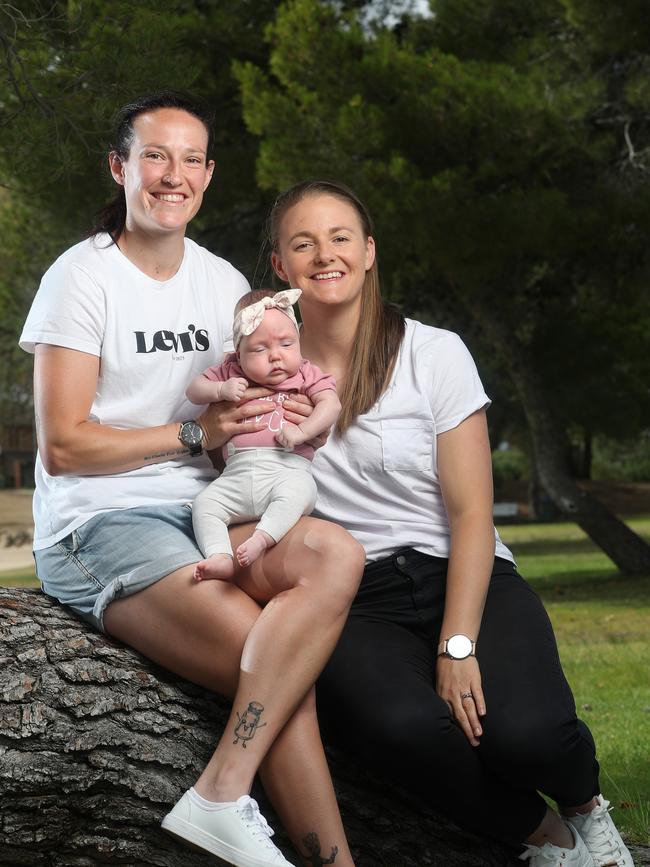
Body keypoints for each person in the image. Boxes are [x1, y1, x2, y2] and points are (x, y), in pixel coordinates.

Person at [19, 96, 364, 867]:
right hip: (102, 518)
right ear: (121, 166)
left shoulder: (222, 282)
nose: (173, 175)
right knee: (272, 660)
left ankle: (218, 794)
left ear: (208, 174)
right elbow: (65, 445)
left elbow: (248, 396)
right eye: (155, 156)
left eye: (191, 159)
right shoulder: (80, 276)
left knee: (335, 556)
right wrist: (189, 432)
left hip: (206, 503)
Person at [267, 179, 634, 867]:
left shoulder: (433, 353)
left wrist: (457, 644)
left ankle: (584, 803)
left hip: (464, 571)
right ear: (280, 267)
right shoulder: (264, 371)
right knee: (401, 729)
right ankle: (546, 837)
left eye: (341, 237)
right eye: (304, 243)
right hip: (353, 595)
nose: (326, 255)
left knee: (525, 735)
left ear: (369, 251)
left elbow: (471, 513)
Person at [186, 287, 341, 580]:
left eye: (286, 344)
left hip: (286, 469)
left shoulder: (306, 373)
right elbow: (193, 390)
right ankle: (219, 555)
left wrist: (303, 431)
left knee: (301, 493)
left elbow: (331, 404)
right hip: (235, 475)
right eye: (259, 349)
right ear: (238, 352)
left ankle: (261, 538)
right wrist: (220, 389)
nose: (276, 357)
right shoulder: (230, 371)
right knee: (204, 505)